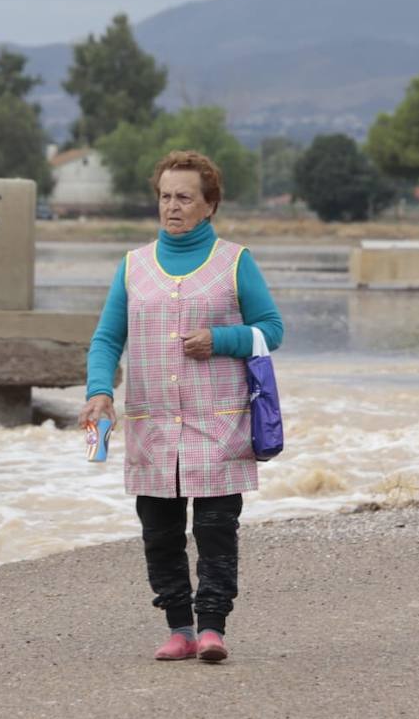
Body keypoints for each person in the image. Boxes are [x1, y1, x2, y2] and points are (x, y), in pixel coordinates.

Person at [79, 150, 283, 663]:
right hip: (152, 425)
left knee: (216, 529)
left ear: (209, 204)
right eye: (165, 196)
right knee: (160, 533)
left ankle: (212, 627)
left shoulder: (236, 262)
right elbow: (107, 339)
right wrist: (99, 391)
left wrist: (222, 338)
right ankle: (179, 628)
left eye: (185, 197)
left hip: (220, 423)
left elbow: (272, 330)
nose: (173, 206)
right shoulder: (133, 266)